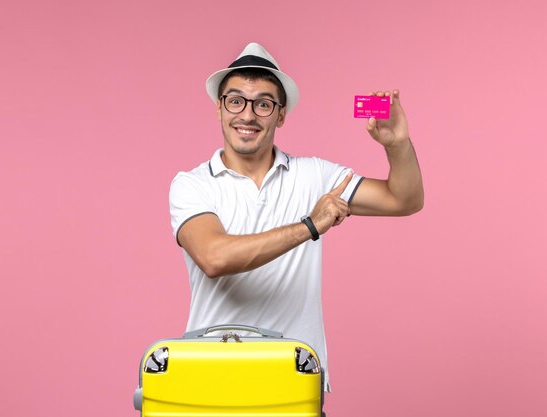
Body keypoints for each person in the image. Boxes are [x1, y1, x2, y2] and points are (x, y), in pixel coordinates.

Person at [169, 42, 424, 391]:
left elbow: (403, 200)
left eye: (263, 104)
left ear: (281, 114)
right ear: (219, 108)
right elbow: (214, 257)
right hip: (213, 378)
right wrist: (309, 226)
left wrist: (397, 145)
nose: (247, 115)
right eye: (236, 100)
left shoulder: (314, 176)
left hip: (293, 381)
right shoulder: (192, 184)